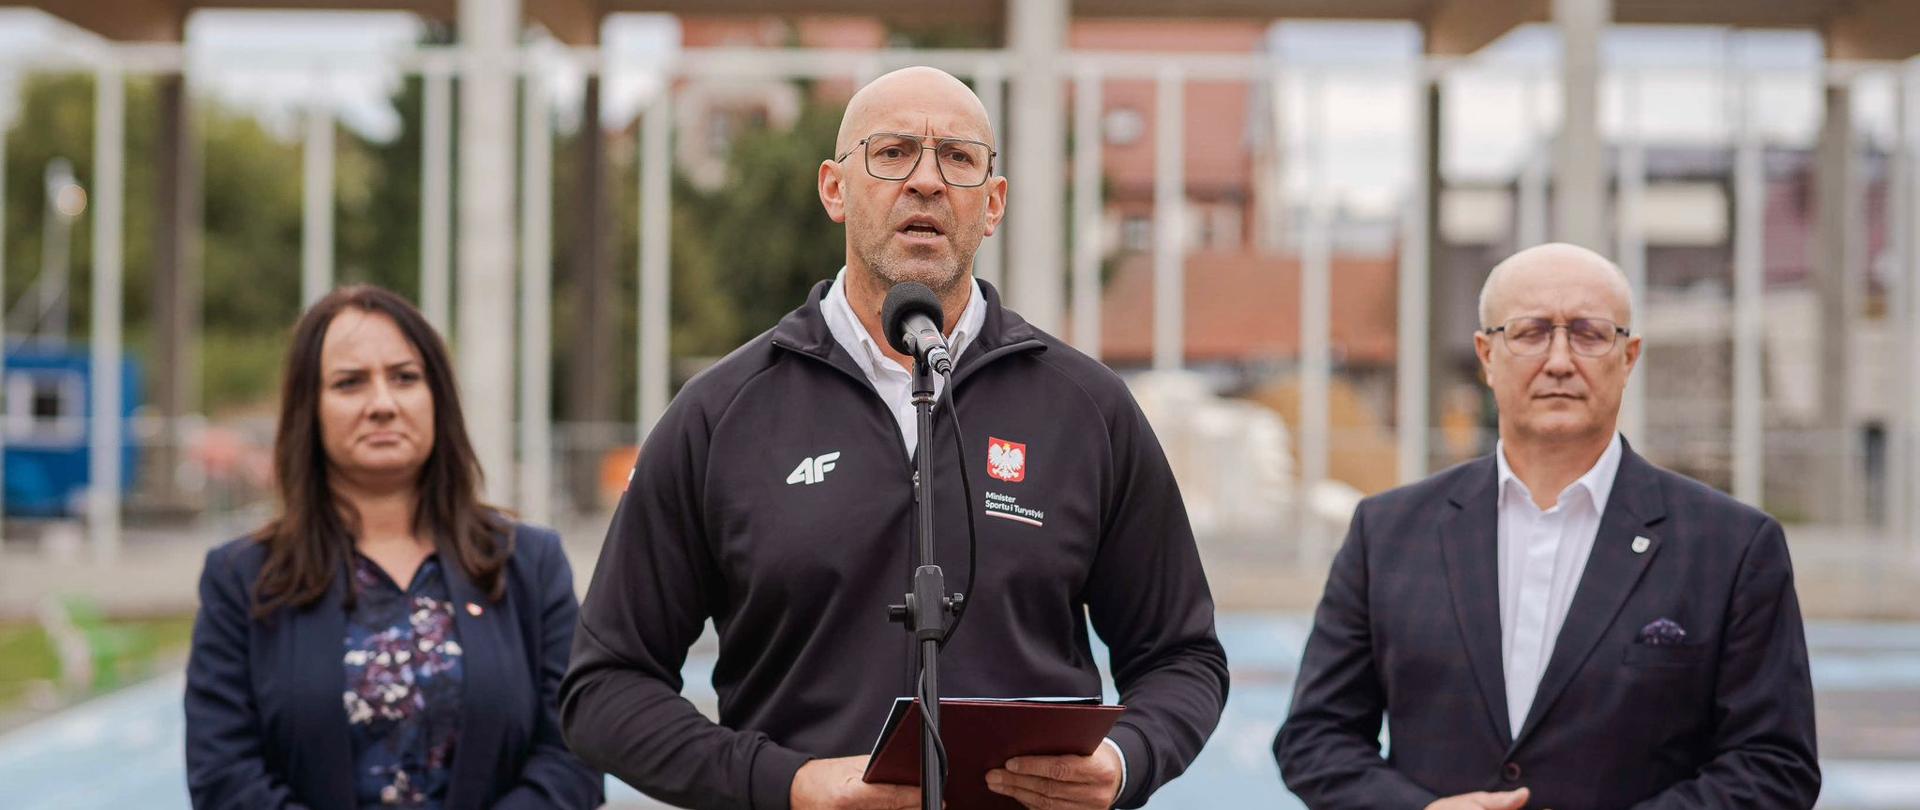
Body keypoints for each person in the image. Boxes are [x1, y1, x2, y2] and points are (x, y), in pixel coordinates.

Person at [560, 66, 1228, 810]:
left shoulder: (1087, 409)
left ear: (994, 203)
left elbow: (1183, 657)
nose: (927, 181)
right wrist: (786, 784)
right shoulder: (722, 414)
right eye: (893, 152)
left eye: (959, 158)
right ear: (834, 190)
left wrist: (1126, 760)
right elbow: (604, 688)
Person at [1273, 243, 1820, 809]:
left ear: (1628, 357)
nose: (1559, 360)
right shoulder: (1386, 533)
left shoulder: (1731, 547)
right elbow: (1314, 738)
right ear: (1486, 355)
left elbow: (1774, 765)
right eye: (1530, 332)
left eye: (1588, 333)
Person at [185, 284, 602, 810]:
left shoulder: (529, 565)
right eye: (349, 383)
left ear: (437, 399)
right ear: (308, 410)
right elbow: (224, 776)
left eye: (404, 378)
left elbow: (574, 757)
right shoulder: (241, 578)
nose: (381, 404)